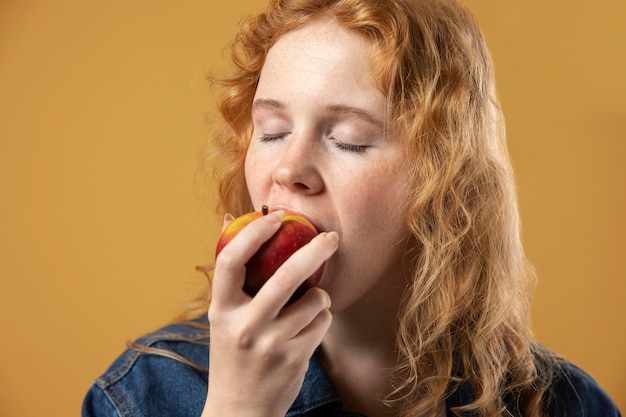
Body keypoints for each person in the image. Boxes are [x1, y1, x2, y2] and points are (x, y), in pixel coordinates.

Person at [82, 0, 622, 416]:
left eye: (350, 140)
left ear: (445, 179)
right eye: (271, 131)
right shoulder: (140, 395)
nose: (288, 169)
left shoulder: (564, 405)